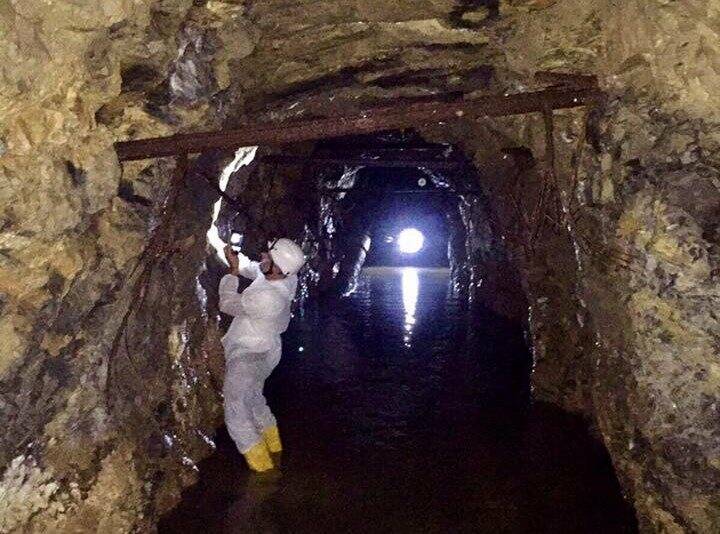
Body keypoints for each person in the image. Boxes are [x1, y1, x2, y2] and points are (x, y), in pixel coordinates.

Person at [218, 238, 305, 472]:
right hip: (268, 349)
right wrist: (234, 259)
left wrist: (232, 272)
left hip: (250, 353)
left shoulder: (268, 298)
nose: (262, 257)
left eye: (268, 257)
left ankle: (264, 471)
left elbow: (227, 303)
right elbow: (255, 269)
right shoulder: (287, 276)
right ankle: (275, 450)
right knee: (254, 398)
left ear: (277, 269)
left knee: (236, 406)